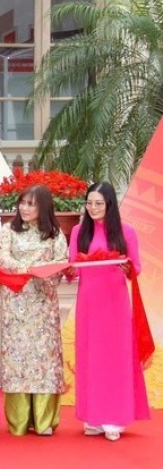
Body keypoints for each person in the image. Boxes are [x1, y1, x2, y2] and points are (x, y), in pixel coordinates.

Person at [69, 181, 150, 441]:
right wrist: (66, 271)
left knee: (114, 360)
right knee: (91, 357)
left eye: (99, 203)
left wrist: (127, 269)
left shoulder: (126, 232)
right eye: (89, 203)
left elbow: (135, 267)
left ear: (110, 205)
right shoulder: (79, 231)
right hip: (89, 304)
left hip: (114, 304)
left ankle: (114, 418)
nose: (93, 208)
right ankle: (94, 416)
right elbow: (73, 269)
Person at [0, 185, 67, 436]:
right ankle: (19, 421)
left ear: (43, 207)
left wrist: (43, 271)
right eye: (22, 203)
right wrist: (30, 267)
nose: (24, 208)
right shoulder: (8, 231)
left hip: (43, 305)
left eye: (31, 204)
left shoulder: (55, 234)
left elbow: (61, 264)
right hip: (16, 305)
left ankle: (45, 420)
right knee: (18, 360)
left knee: (45, 361)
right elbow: (1, 259)